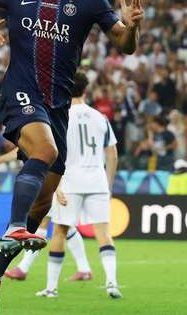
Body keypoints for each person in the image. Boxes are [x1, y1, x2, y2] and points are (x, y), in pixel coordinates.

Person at [0, 0, 143, 315]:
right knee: (45, 151)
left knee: (43, 201)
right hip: (21, 92)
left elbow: (123, 43)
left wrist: (132, 26)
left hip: (57, 106)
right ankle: (13, 227)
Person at [35, 72, 122, 299]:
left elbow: (56, 155)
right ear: (86, 90)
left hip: (71, 182)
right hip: (97, 181)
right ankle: (112, 282)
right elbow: (112, 154)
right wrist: (108, 184)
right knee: (103, 233)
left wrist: (58, 185)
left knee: (60, 232)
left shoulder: (61, 117)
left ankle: (51, 288)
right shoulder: (100, 117)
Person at [0, 148, 93, 282]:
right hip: (59, 179)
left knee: (47, 222)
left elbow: (54, 154)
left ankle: (24, 268)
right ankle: (84, 269)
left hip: (59, 180)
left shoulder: (49, 130)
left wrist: (57, 187)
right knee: (63, 225)